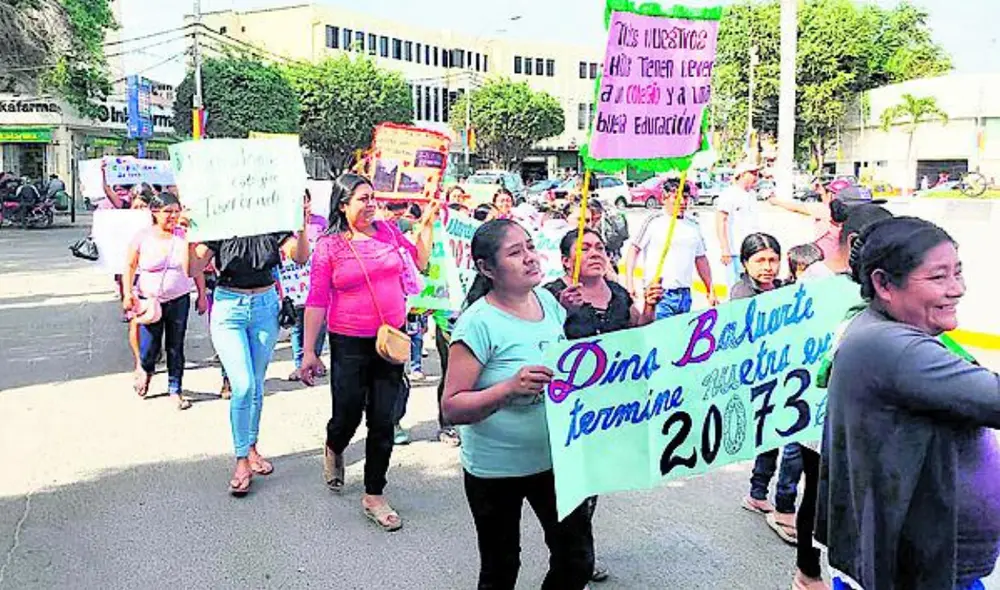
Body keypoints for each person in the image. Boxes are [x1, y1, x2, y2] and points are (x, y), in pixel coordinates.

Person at [816, 216, 1000, 590]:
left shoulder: (880, 330)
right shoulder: (890, 346)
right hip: (915, 572)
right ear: (884, 284)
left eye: (958, 272)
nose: (957, 289)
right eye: (938, 277)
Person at [441, 219, 594, 590]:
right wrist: (508, 388)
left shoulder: (547, 301)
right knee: (501, 568)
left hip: (555, 460)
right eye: (514, 252)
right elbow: (452, 407)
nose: (529, 258)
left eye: (529, 246)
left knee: (576, 560)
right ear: (487, 268)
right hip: (495, 471)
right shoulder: (477, 324)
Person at [299, 173, 434, 532]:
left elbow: (420, 261)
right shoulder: (329, 246)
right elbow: (316, 299)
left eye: (373, 197)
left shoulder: (388, 231)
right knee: (346, 414)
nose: (371, 204)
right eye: (363, 198)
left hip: (391, 340)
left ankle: (374, 493)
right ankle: (335, 445)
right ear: (343, 205)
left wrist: (427, 224)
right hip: (349, 342)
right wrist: (309, 351)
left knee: (383, 418)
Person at [544, 227, 662, 584]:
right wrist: (560, 311)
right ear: (566, 261)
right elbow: (539, 341)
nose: (596, 253)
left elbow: (636, 333)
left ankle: (577, 554)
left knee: (591, 485)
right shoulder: (550, 295)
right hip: (566, 411)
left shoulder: (619, 293)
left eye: (600, 247)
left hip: (606, 412)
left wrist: (650, 308)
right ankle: (571, 557)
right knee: (569, 489)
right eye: (585, 248)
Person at [189, 205, 311, 496]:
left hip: (265, 307)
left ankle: (252, 446)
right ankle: (241, 458)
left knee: (256, 383)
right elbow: (193, 268)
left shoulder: (270, 218)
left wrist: (301, 224)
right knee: (242, 385)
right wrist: (188, 236)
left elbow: (300, 256)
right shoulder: (218, 219)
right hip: (229, 308)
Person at [731, 233, 804, 546]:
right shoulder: (742, 295)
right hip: (760, 378)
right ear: (745, 263)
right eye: (759, 260)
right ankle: (773, 499)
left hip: (786, 376)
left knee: (774, 435)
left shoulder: (786, 288)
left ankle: (757, 493)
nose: (767, 267)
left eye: (773, 259)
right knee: (779, 436)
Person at [122, 192, 202, 408]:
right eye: (168, 212)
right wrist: (128, 294)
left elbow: (196, 267)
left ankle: (175, 388)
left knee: (176, 345)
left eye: (177, 211)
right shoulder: (143, 237)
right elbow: (129, 266)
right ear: (155, 212)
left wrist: (201, 294)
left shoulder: (185, 236)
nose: (173, 216)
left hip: (179, 299)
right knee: (150, 346)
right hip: (149, 301)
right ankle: (146, 369)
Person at [627, 179, 716, 319]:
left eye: (685, 197)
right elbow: (634, 250)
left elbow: (700, 259)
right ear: (664, 198)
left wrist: (710, 289)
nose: (682, 202)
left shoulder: (693, 225)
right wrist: (630, 283)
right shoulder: (654, 221)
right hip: (659, 293)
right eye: (676, 197)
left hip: (684, 294)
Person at [287, 189, 328, 382]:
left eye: (306, 201)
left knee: (320, 322)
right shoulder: (286, 225)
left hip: (318, 278)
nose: (303, 205)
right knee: (297, 324)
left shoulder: (321, 222)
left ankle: (315, 358)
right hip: (295, 282)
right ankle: (299, 364)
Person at [716, 161, 761, 286]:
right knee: (737, 285)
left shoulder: (752, 195)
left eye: (757, 173)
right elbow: (721, 221)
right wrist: (725, 248)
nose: (756, 177)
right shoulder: (729, 194)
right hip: (735, 250)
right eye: (752, 173)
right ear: (742, 174)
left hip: (751, 250)